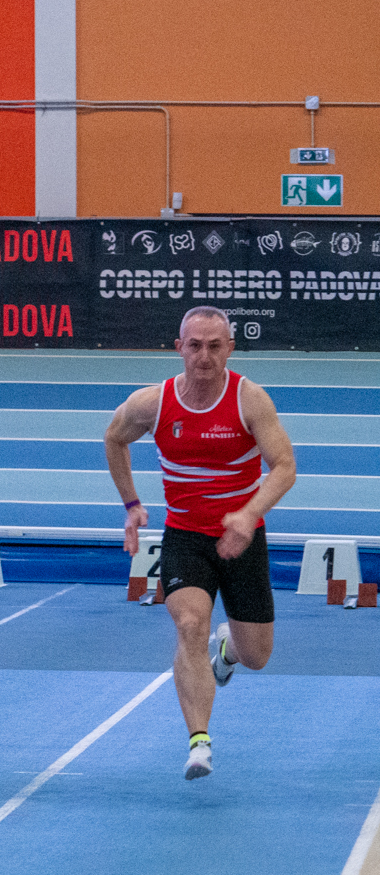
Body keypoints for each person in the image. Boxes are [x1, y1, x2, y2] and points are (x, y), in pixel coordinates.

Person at [103, 305, 298, 779]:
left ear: (230, 348)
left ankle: (228, 650)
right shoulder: (152, 403)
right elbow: (113, 438)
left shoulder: (250, 400)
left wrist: (247, 515)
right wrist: (132, 505)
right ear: (179, 348)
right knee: (190, 624)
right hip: (185, 536)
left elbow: (285, 466)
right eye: (195, 346)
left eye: (214, 346)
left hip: (241, 538)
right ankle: (199, 742)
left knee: (256, 657)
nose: (204, 356)